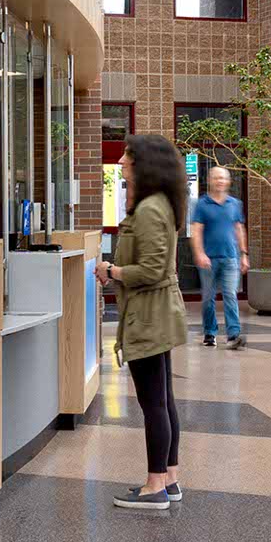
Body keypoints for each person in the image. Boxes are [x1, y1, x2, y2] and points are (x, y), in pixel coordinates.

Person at [96, 134, 188, 512]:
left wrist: (112, 270)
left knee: (154, 402)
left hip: (148, 316)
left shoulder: (150, 209)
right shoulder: (159, 204)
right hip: (157, 312)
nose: (120, 161)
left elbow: (150, 269)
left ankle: (154, 487)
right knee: (163, 399)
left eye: (127, 156)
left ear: (143, 164)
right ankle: (170, 478)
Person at [189, 164, 248, 350]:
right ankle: (210, 333)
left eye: (223, 178)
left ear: (228, 181)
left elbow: (239, 229)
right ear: (210, 181)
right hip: (208, 259)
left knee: (230, 295)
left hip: (231, 258)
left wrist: (244, 254)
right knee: (208, 297)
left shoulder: (234, 204)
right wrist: (199, 253)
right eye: (216, 178)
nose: (220, 181)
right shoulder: (202, 204)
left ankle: (233, 335)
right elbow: (196, 230)